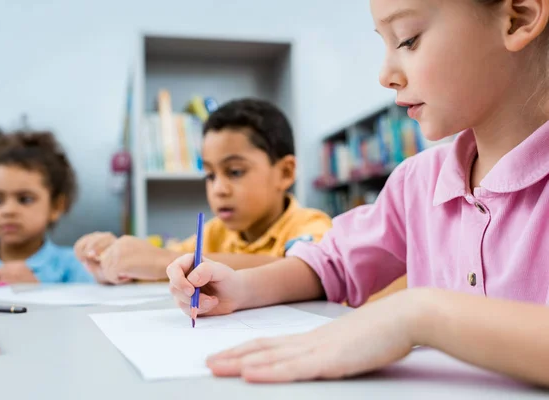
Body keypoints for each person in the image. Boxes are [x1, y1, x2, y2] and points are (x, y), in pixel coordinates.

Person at [167, 0, 549, 386]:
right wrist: (242, 288)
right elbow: (332, 265)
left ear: (518, 17)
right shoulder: (416, 181)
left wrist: (418, 316)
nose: (385, 75)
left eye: (407, 40)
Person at [75, 99, 332, 284]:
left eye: (235, 172)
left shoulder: (310, 225)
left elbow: (307, 271)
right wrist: (115, 265)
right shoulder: (214, 233)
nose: (218, 189)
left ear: (285, 172)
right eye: (209, 175)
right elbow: (166, 265)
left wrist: (160, 260)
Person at [0, 131, 93, 283]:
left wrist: (36, 292)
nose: (8, 211)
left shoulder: (77, 267)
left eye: (25, 199)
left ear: (56, 206)